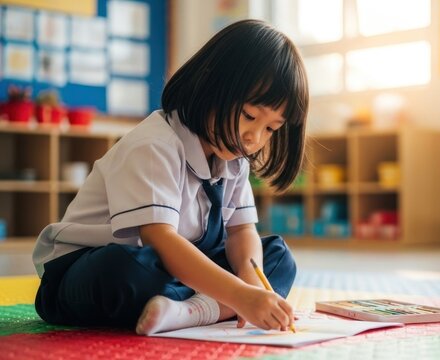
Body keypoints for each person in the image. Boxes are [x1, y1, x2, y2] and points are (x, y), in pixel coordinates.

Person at [32, 19, 308, 335]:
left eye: (270, 128)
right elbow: (160, 239)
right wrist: (240, 295)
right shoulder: (154, 144)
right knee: (125, 270)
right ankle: (213, 307)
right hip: (87, 272)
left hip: (175, 269)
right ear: (213, 85)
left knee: (276, 258)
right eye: (249, 116)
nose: (254, 138)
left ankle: (187, 310)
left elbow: (241, 231)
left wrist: (250, 285)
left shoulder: (233, 157)